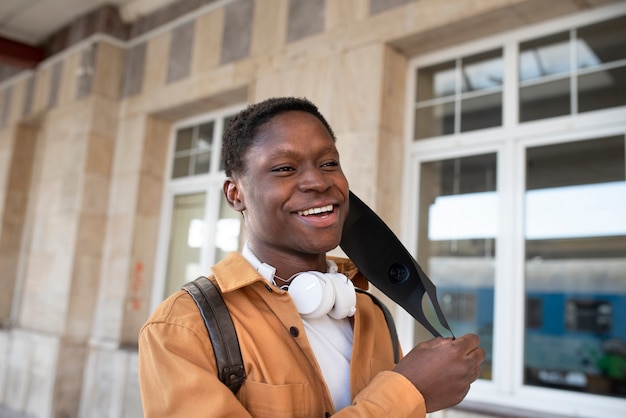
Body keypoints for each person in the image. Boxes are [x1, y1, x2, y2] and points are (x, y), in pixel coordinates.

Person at [138, 96, 485, 417]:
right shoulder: (182, 328)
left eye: (329, 162)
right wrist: (409, 391)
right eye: (285, 168)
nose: (318, 182)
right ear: (235, 193)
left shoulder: (370, 312)